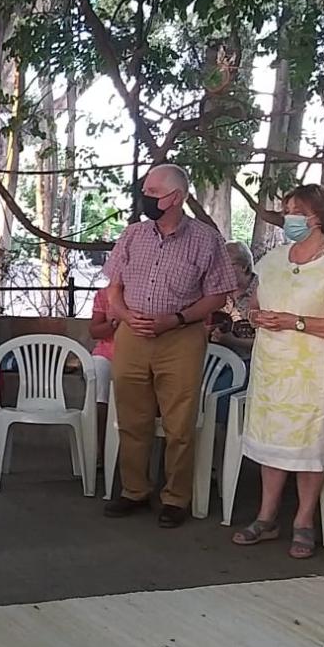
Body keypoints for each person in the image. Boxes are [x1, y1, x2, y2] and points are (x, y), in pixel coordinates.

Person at [232, 186, 324, 558]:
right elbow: (256, 305)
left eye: (297, 210)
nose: (289, 216)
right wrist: (255, 316)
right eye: (287, 208)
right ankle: (266, 516)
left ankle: (304, 521)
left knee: (310, 443)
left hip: (317, 371)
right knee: (272, 441)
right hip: (274, 366)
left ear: (318, 218)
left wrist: (298, 323)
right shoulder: (272, 259)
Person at [103, 164, 237, 527]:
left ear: (175, 198)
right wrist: (127, 316)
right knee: (132, 418)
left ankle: (175, 498)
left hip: (180, 337)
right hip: (133, 333)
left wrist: (176, 319)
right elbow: (112, 288)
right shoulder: (133, 235)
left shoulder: (206, 239)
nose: (144, 196)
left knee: (180, 423)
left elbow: (219, 295)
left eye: (151, 191)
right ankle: (134, 490)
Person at [212, 241, 260, 359]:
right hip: (216, 360)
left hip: (250, 362)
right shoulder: (217, 291)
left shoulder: (263, 291)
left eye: (226, 265)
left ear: (244, 267)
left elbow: (268, 341)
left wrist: (232, 341)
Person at [88, 291, 119, 453]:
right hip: (107, 354)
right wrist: (114, 324)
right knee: (98, 373)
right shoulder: (105, 294)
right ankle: (99, 449)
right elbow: (94, 331)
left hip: (139, 355)